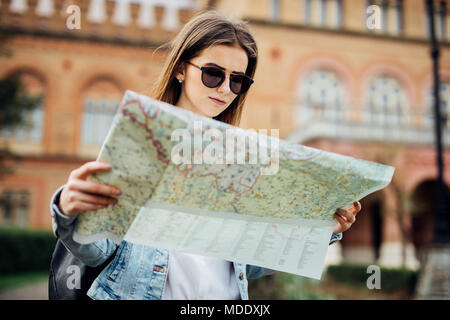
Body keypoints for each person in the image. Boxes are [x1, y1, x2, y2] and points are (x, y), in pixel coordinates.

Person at [50, 10, 362, 300]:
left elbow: (248, 262)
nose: (226, 89)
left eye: (237, 80)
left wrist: (321, 231)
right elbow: (99, 249)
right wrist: (68, 210)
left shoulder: (240, 158)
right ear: (181, 69)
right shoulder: (142, 146)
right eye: (213, 74)